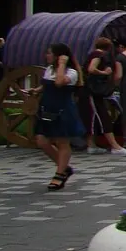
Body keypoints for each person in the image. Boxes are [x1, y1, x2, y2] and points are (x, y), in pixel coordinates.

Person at [34, 43, 84, 190]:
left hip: (63, 109)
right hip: (47, 108)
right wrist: (36, 90)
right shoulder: (49, 70)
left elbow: (59, 83)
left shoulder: (72, 72)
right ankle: (64, 168)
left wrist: (62, 64)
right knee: (41, 140)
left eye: (50, 53)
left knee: (62, 142)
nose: (47, 56)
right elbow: (47, 85)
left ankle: (59, 173)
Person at [82, 36, 126, 156]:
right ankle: (115, 146)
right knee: (102, 116)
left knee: (92, 117)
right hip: (92, 91)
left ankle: (91, 144)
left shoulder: (93, 54)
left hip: (89, 91)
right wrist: (104, 72)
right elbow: (91, 69)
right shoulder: (99, 55)